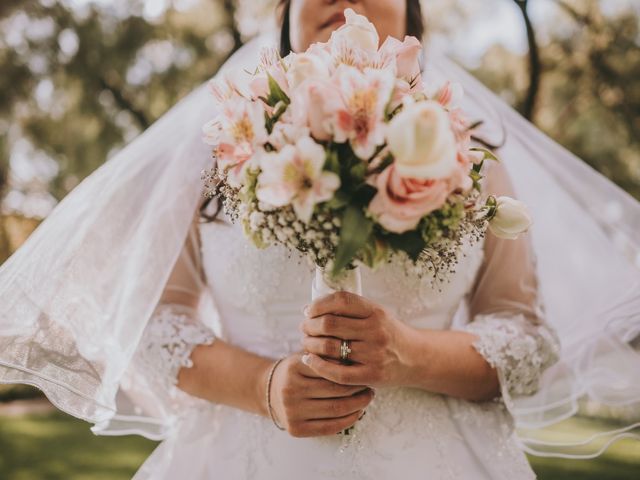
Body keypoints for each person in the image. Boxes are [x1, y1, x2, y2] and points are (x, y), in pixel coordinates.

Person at [1, 1, 638, 479]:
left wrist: (411, 355)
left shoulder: (473, 153)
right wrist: (263, 387)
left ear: (414, 13)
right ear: (285, 14)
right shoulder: (218, 143)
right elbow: (157, 322)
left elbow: (524, 336)